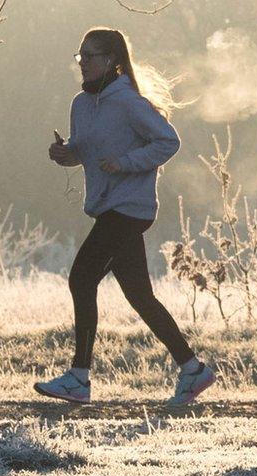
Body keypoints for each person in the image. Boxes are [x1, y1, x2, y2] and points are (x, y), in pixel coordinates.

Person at [36, 27, 216, 405]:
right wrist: (66, 154)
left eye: (90, 56)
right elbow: (88, 151)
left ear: (111, 62)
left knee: (81, 279)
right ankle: (192, 369)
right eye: (80, 56)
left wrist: (127, 163)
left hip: (130, 208)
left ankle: (79, 378)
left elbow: (168, 141)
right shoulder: (81, 105)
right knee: (139, 295)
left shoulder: (130, 103)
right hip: (106, 206)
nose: (82, 63)